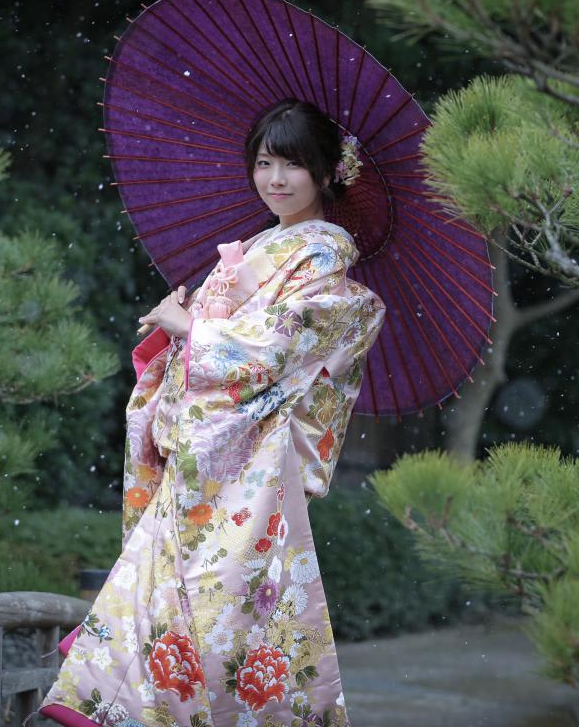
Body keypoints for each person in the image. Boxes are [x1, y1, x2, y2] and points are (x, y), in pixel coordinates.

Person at [29, 99, 385, 727]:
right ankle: (144, 696)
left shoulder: (323, 255)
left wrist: (192, 330)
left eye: (294, 165)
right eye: (265, 163)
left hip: (249, 459)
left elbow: (274, 348)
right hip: (210, 448)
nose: (276, 179)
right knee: (198, 594)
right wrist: (186, 327)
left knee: (222, 600)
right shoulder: (266, 244)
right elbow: (233, 340)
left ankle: (162, 701)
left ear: (329, 172)